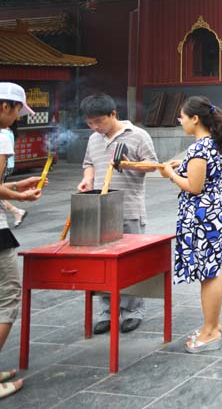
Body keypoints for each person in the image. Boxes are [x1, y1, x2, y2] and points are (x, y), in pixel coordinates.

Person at [77, 93, 157, 335]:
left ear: (113, 114)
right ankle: (107, 310)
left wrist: (127, 164)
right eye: (90, 123)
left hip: (130, 207)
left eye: (99, 121)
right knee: (101, 263)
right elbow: (88, 163)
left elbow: (152, 164)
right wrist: (87, 179)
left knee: (131, 262)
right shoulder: (93, 139)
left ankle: (133, 310)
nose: (95, 127)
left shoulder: (138, 135)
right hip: (100, 209)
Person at [0, 83, 43, 404]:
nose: (18, 116)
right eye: (18, 109)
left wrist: (15, 183)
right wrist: (19, 195)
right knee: (4, 299)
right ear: (4, 107)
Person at [160, 96, 222, 353]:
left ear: (195, 118)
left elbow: (194, 186)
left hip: (201, 216)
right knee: (213, 269)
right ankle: (213, 323)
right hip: (213, 213)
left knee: (208, 273)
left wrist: (171, 175)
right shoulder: (212, 144)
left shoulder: (199, 148)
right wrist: (185, 166)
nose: (181, 121)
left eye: (182, 117)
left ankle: (210, 331)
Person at [0, 126, 26, 228]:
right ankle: (17, 211)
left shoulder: (2, 133)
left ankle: (17, 211)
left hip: (2, 166)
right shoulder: (7, 131)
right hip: (7, 165)